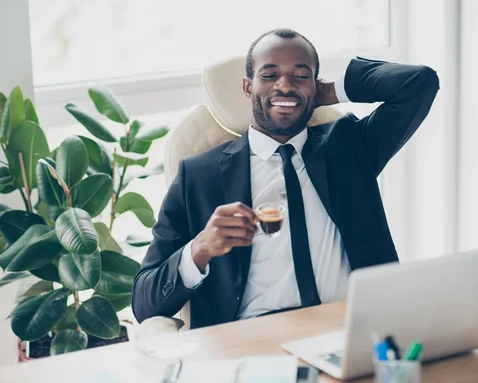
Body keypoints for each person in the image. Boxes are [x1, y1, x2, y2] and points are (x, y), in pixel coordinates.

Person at [132, 28, 439, 329]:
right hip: (251, 341)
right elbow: (144, 303)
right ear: (248, 86)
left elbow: (419, 83)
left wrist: (329, 92)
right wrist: (200, 248)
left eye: (300, 76)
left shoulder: (350, 146)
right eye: (269, 75)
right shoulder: (198, 175)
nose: (285, 86)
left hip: (351, 330)